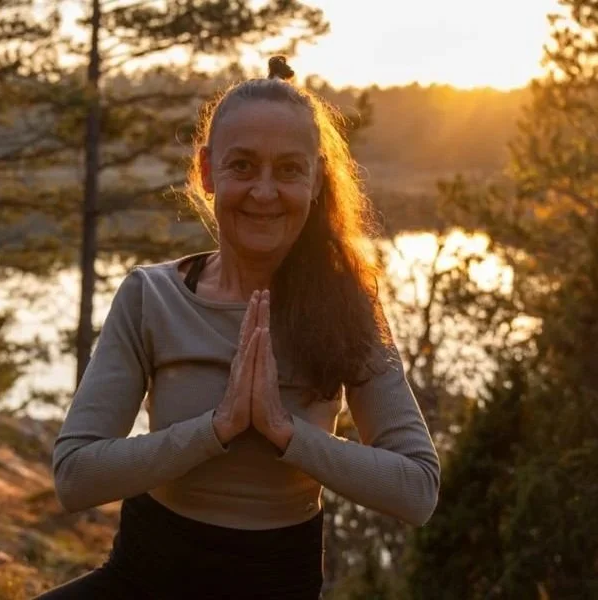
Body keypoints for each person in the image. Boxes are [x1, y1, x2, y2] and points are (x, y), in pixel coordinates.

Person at [35, 55, 440, 600]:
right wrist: (216, 429)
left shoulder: (349, 308)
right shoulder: (150, 297)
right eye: (242, 166)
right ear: (207, 172)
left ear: (317, 178)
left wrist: (284, 432)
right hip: (143, 580)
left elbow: (417, 489)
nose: (265, 192)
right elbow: (76, 475)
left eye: (289, 169)